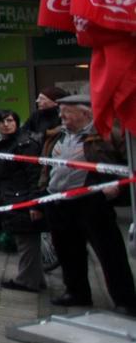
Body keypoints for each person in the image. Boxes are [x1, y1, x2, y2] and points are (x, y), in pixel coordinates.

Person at [35, 95, 136, 312]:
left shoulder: (107, 135)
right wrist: (43, 191)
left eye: (66, 112)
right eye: (60, 112)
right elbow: (46, 166)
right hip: (58, 201)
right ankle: (77, 293)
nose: (61, 116)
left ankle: (125, 300)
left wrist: (118, 186)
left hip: (91, 203)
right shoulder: (56, 136)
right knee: (68, 251)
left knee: (110, 254)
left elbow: (128, 166)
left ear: (85, 113)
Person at [0, 109, 47, 293]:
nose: (7, 125)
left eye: (10, 120)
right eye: (2, 121)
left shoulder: (25, 144)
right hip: (7, 195)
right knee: (22, 239)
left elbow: (34, 175)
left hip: (22, 196)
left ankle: (27, 280)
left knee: (27, 239)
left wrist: (34, 203)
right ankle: (35, 278)